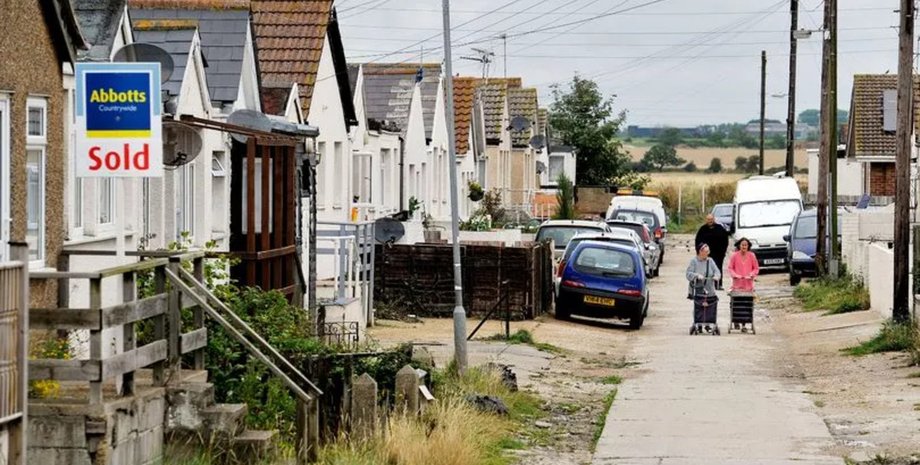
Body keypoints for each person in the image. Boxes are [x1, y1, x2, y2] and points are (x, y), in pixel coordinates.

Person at [686, 243, 721, 333]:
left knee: (710, 306)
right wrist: (696, 275)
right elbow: (688, 274)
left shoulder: (710, 261)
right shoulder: (694, 261)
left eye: (708, 251)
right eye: (706, 251)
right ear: (700, 252)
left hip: (710, 288)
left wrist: (716, 276)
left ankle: (708, 323)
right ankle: (698, 323)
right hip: (698, 288)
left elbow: (717, 271)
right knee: (699, 306)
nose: (707, 253)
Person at [695, 214, 730, 289]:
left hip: (718, 254)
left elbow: (725, 241)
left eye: (711, 219)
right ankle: (704, 285)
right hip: (705, 254)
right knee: (704, 269)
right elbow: (697, 241)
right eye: (708, 219)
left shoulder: (720, 228)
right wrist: (699, 253)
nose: (710, 221)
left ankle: (718, 285)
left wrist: (723, 251)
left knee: (717, 268)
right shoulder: (702, 229)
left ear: (714, 219)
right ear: (706, 220)